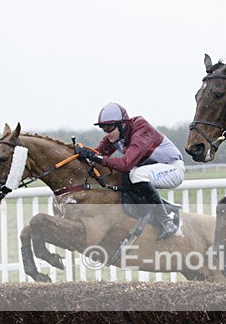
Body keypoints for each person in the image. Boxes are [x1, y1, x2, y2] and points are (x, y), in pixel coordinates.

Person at [75, 102, 184, 241]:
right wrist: (82, 152)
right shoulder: (116, 134)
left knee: (135, 174)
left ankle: (166, 221)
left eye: (109, 127)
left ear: (122, 124)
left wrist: (95, 156)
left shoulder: (141, 129)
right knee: (128, 175)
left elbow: (125, 164)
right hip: (153, 170)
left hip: (172, 169)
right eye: (103, 128)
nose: (107, 133)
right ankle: (149, 210)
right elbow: (97, 154)